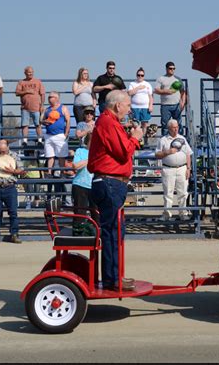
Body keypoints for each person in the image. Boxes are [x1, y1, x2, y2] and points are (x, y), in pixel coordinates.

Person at [88, 90, 143, 291]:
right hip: (110, 183)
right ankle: (113, 279)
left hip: (110, 183)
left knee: (114, 232)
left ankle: (114, 276)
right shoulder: (108, 122)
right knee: (112, 232)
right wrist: (135, 138)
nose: (129, 109)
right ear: (118, 105)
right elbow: (123, 152)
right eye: (128, 105)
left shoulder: (108, 122)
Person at [0, 139, 26, 244]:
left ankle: (14, 234)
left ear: (7, 147)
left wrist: (12, 171)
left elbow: (23, 172)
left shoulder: (14, 156)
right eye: (0, 150)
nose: (2, 152)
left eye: (3, 150)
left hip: (10, 187)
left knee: (13, 213)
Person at [155, 119, 193, 220]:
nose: (176, 129)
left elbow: (188, 154)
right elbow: (157, 154)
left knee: (183, 192)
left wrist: (188, 168)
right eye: (173, 128)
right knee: (168, 192)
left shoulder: (182, 139)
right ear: (169, 128)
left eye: (177, 127)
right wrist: (167, 152)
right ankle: (167, 213)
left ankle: (183, 213)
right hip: (168, 168)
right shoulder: (163, 140)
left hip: (182, 168)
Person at [72, 133, 98, 232]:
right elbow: (75, 166)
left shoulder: (100, 152)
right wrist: (90, 159)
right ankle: (78, 231)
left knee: (96, 211)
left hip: (95, 185)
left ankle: (96, 231)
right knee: (80, 211)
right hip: (80, 185)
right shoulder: (80, 151)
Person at [42, 92, 70, 179]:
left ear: (57, 98)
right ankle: (49, 173)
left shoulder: (63, 108)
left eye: (51, 97)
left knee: (61, 155)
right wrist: (44, 122)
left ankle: (62, 172)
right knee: (50, 156)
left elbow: (68, 120)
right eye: (49, 97)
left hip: (59, 135)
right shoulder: (47, 109)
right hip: (49, 135)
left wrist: (66, 134)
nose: (49, 99)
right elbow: (42, 120)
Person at [15, 66, 45, 148]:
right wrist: (26, 91)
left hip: (36, 107)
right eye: (29, 72)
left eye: (32, 72)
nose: (30, 73)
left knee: (38, 124)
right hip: (25, 107)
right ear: (25, 73)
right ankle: (25, 141)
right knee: (25, 125)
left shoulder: (38, 81)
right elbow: (17, 92)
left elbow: (42, 94)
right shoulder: (21, 82)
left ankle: (40, 141)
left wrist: (42, 105)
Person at [154, 62, 186, 136]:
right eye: (170, 68)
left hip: (176, 105)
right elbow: (156, 90)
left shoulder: (178, 79)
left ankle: (179, 139)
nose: (172, 70)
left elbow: (183, 92)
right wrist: (166, 91)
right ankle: (165, 142)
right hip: (165, 105)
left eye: (174, 68)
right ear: (166, 69)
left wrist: (183, 102)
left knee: (178, 124)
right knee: (165, 125)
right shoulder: (161, 78)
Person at [128, 67, 154, 138]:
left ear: (144, 76)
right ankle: (136, 139)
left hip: (145, 107)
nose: (140, 76)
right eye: (138, 75)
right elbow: (130, 93)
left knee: (144, 124)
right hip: (134, 107)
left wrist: (151, 105)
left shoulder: (147, 84)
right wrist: (138, 88)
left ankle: (143, 139)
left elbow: (151, 96)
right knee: (135, 124)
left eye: (142, 75)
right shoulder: (132, 84)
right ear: (136, 75)